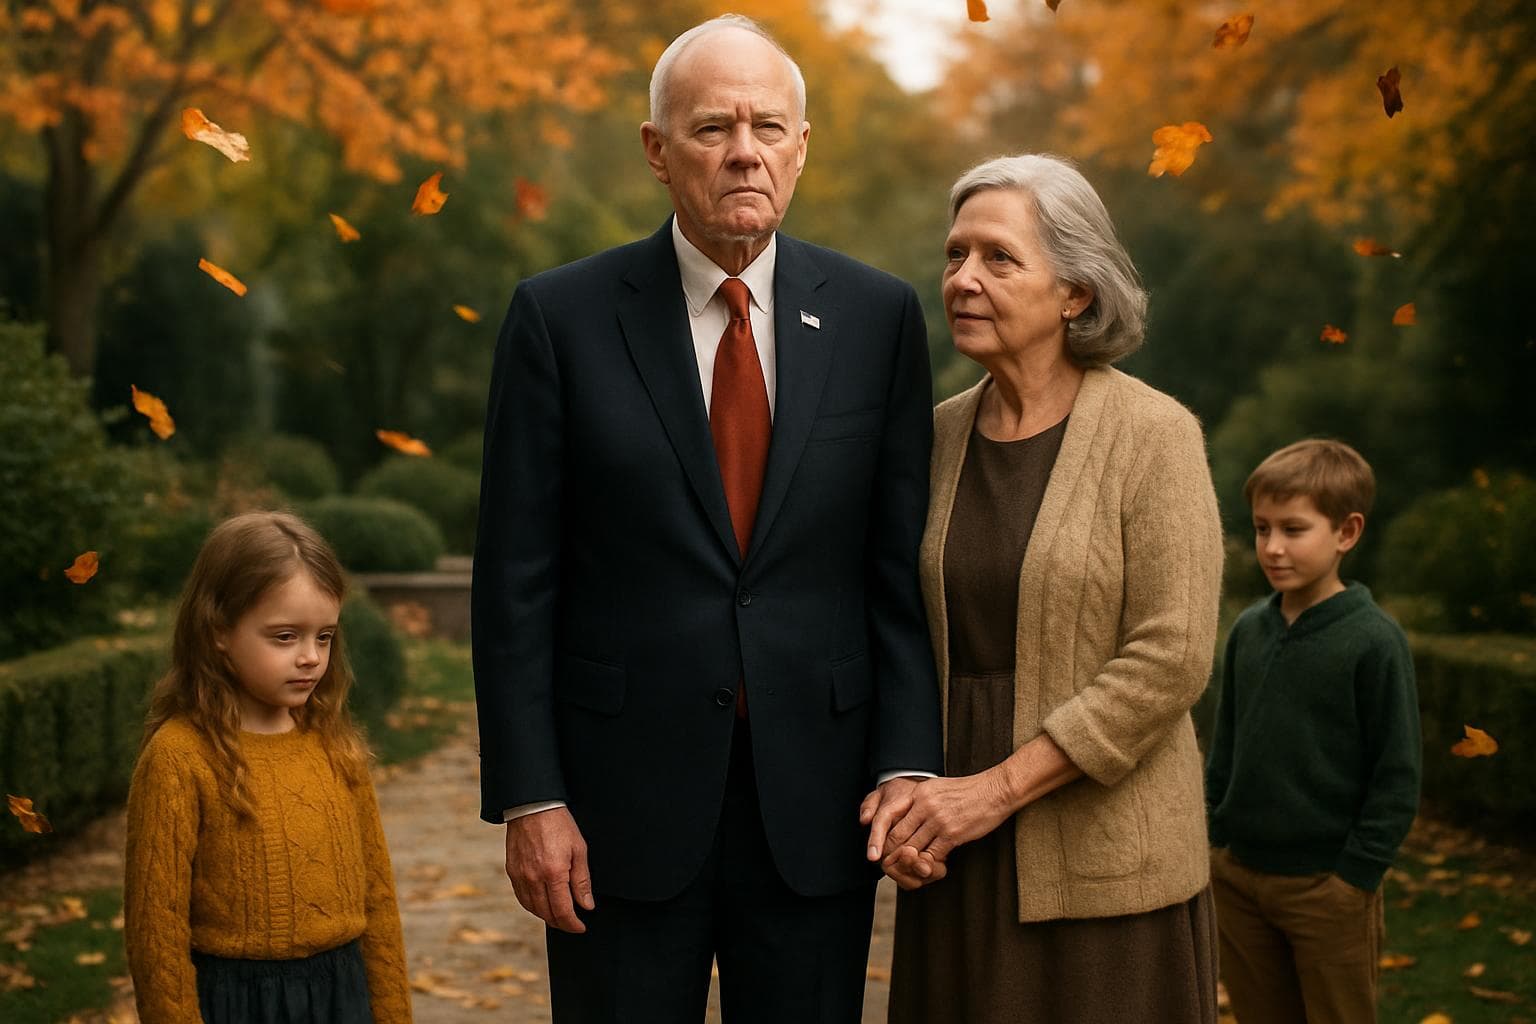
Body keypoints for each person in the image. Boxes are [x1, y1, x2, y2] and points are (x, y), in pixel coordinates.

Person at [470, 13, 942, 1023]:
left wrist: (906, 759)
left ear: (801, 146)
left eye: (769, 127)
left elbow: (892, 572)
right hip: (613, 813)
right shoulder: (559, 320)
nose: (744, 151)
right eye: (713, 127)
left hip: (817, 806)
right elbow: (515, 580)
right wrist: (529, 795)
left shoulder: (879, 318)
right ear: (656, 150)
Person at [866, 154, 1224, 1022]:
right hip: (954, 854)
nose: (964, 280)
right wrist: (904, 794)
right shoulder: (934, 437)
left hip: (1105, 870)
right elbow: (891, 628)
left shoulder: (1155, 436)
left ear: (1076, 292)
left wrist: (993, 792)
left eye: (998, 258)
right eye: (955, 256)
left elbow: (1171, 658)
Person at [123, 511, 411, 1024]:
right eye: (284, 637)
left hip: (344, 996)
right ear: (217, 630)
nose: (310, 658)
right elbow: (156, 933)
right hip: (237, 1003)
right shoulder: (180, 756)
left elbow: (379, 904)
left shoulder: (333, 744)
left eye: (324, 636)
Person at [1205, 439, 1422, 1024]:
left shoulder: (1373, 640)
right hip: (1240, 878)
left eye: (1294, 529)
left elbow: (1397, 775)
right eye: (1261, 528)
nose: (1272, 548)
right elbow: (1225, 746)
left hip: (1327, 886)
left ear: (1346, 533)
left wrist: (1355, 877)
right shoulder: (1249, 629)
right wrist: (1214, 839)